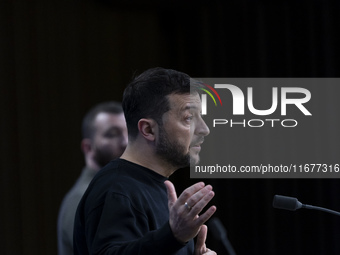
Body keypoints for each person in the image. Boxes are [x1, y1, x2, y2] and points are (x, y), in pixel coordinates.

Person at [74, 68, 217, 255]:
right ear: (148, 130)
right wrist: (173, 236)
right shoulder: (116, 189)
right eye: (189, 118)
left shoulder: (155, 186)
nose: (204, 129)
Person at [57, 101, 128, 255]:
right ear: (88, 148)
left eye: (129, 132)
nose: (125, 142)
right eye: (112, 134)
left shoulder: (112, 191)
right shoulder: (85, 197)